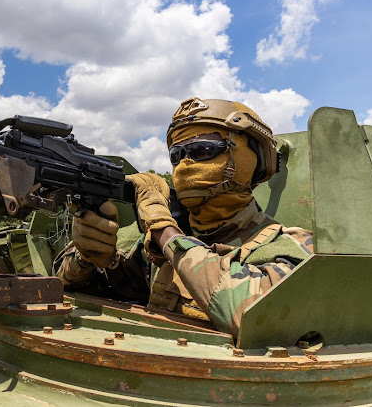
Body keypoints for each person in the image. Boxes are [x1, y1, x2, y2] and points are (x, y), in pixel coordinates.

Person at [54, 97, 313, 337]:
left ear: (254, 160)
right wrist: (89, 257)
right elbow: (67, 285)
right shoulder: (148, 243)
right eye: (176, 155)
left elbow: (255, 314)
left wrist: (162, 229)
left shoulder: (291, 246)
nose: (185, 163)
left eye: (202, 150)